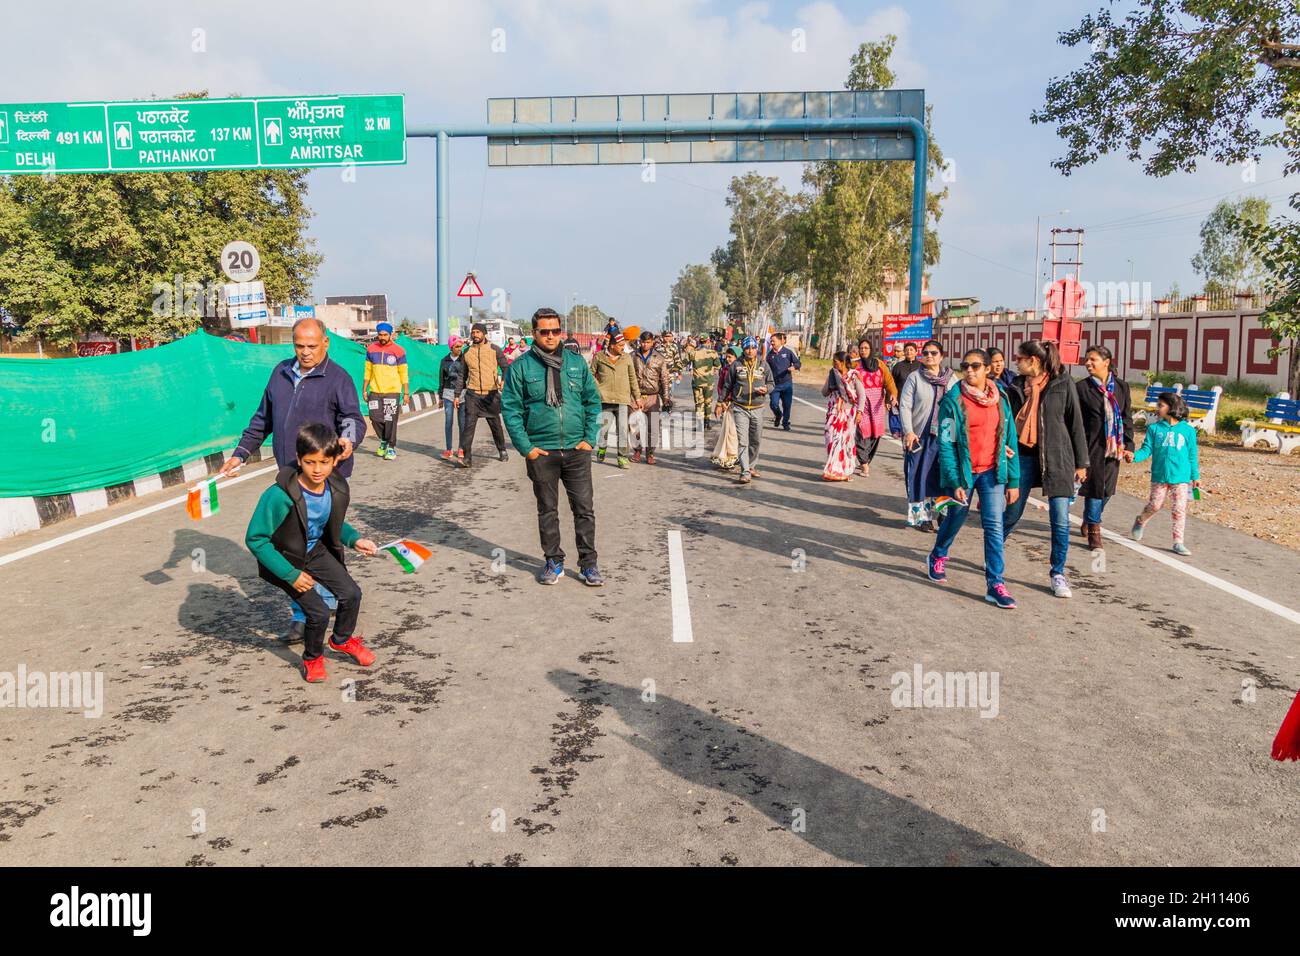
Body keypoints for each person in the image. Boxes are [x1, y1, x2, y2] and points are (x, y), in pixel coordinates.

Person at [220, 317, 366, 642]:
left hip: (325, 478)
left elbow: (354, 418)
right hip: (290, 478)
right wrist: (240, 453)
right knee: (291, 547)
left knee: (326, 542)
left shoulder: (337, 378)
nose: (306, 352)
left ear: (326, 343)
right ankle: (305, 613)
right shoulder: (280, 373)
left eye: (312, 346)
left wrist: (347, 440)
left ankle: (329, 604)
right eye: (299, 346)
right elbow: (262, 420)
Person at [244, 423, 379, 683]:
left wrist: (354, 540)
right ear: (298, 459)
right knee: (316, 612)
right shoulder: (279, 496)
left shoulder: (334, 488)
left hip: (314, 549)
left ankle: (341, 640)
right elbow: (256, 539)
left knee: (351, 594)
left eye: (324, 462)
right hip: (285, 557)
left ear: (334, 461)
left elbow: (331, 522)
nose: (317, 470)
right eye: (309, 462)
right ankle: (313, 656)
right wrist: (291, 574)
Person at [502, 308, 605, 587]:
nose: (550, 336)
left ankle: (588, 564)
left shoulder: (575, 363)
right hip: (542, 452)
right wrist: (527, 448)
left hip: (576, 450)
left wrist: (589, 439)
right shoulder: (521, 367)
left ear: (561, 331)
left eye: (555, 331)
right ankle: (553, 561)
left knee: (584, 509)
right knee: (547, 510)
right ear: (534, 333)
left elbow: (592, 402)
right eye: (544, 331)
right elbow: (510, 410)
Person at [928, 348, 1021, 610]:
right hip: (964, 474)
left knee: (993, 525)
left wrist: (1013, 480)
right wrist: (955, 481)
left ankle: (995, 583)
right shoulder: (952, 402)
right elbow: (946, 444)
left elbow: (1009, 437)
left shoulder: (1001, 398)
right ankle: (938, 554)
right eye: (965, 366)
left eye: (976, 366)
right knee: (955, 516)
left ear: (987, 369)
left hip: (993, 473)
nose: (969, 370)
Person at [1000, 339, 1089, 598]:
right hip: (1023, 457)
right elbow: (1005, 423)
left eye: (1020, 358)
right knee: (1012, 513)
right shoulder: (1016, 386)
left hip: (1058, 458)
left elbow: (1076, 424)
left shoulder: (1063, 383)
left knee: (1059, 520)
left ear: (1034, 361)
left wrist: (1082, 463)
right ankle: (994, 554)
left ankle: (1057, 573)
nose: (1015, 361)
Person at [1076, 344, 1134, 551]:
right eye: (1086, 359)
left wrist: (1129, 444)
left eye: (1093, 359)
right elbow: (1077, 422)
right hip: (1091, 446)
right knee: (1095, 489)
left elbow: (1127, 417)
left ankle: (1089, 518)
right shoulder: (1081, 388)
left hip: (1114, 447)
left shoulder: (1121, 386)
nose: (1088, 363)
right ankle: (1094, 532)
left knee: (1107, 490)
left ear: (1106, 362)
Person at [1130, 391, 1200, 556]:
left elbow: (1192, 455)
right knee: (1155, 505)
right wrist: (1134, 457)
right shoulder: (1154, 429)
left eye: (1160, 405)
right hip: (1160, 475)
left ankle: (1178, 541)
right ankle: (1141, 521)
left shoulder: (1188, 431)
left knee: (1179, 508)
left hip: (1181, 477)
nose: (1157, 408)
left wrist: (1195, 476)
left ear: (1172, 407)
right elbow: (1147, 450)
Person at [899, 339, 958, 529]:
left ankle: (943, 513)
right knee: (919, 474)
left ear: (941, 356)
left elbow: (960, 408)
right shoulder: (915, 377)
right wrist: (908, 432)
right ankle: (923, 517)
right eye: (925, 353)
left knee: (944, 475)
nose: (929, 356)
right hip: (920, 435)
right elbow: (905, 406)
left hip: (946, 436)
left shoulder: (952, 379)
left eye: (933, 353)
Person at [718, 336, 774, 485]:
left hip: (758, 408)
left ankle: (751, 465)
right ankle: (745, 471)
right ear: (743, 349)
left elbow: (771, 383)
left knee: (755, 440)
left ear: (757, 349)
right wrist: (720, 402)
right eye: (747, 348)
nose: (750, 351)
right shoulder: (736, 365)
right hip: (740, 408)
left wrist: (766, 389)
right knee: (743, 441)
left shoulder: (764, 365)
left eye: (753, 348)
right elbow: (727, 385)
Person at [459, 321, 509, 468]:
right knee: (468, 426)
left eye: (478, 332)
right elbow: (462, 375)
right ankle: (467, 458)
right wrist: (457, 394)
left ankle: (502, 450)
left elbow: (506, 367)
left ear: (484, 334)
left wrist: (504, 381)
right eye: (473, 332)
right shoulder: (467, 352)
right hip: (472, 394)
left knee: (495, 425)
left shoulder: (494, 349)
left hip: (490, 395)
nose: (475, 335)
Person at [589, 330, 640, 468]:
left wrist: (637, 397)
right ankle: (602, 448)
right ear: (612, 345)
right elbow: (590, 374)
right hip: (604, 400)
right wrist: (598, 388)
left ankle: (622, 457)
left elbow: (632, 378)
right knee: (603, 429)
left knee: (623, 430)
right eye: (620, 345)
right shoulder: (599, 357)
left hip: (622, 399)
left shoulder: (627, 358)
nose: (623, 347)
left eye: (623, 345)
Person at [851, 337, 898, 477]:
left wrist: (893, 395)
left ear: (871, 350)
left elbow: (889, 381)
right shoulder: (855, 366)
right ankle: (864, 464)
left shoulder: (880, 364)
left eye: (866, 348)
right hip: (861, 403)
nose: (863, 350)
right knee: (861, 433)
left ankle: (865, 459)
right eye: (861, 348)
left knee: (874, 434)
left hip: (877, 404)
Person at [364, 322, 410, 461]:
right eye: (380, 334)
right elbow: (368, 370)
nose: (382, 337)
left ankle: (390, 447)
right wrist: (364, 388)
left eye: (385, 335)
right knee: (374, 417)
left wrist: (406, 392)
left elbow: (403, 372)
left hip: (392, 391)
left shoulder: (399, 350)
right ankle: (383, 440)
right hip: (375, 390)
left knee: (390, 419)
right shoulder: (371, 349)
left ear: (390, 335)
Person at [821, 351, 864, 481]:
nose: (834, 364)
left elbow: (862, 396)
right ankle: (833, 469)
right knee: (830, 438)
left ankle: (845, 471)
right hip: (834, 412)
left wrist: (859, 412)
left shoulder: (854, 376)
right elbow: (824, 392)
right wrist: (830, 384)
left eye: (836, 361)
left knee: (846, 443)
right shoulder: (833, 375)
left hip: (848, 414)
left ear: (844, 362)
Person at [631, 330, 671, 464]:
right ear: (639, 342)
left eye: (648, 342)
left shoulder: (659, 358)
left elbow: (665, 379)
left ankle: (650, 453)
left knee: (653, 427)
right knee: (636, 427)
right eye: (643, 342)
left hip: (653, 397)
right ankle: (637, 451)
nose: (645, 345)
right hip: (636, 397)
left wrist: (666, 398)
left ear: (652, 342)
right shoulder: (633, 356)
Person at [437, 336, 466, 461]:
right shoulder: (444, 361)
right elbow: (441, 379)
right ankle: (449, 449)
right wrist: (441, 397)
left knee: (462, 422)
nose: (460, 349)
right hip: (448, 393)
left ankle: (461, 448)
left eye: (461, 346)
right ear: (451, 347)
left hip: (463, 393)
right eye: (457, 346)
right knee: (449, 422)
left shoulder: (464, 359)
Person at [765, 331, 801, 430]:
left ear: (781, 341)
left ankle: (786, 423)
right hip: (774, 385)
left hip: (787, 384)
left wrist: (794, 367)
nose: (772, 343)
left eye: (773, 341)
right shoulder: (769, 355)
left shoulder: (788, 352)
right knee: (773, 404)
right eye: (771, 341)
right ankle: (778, 415)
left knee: (787, 405)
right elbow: (765, 369)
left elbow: (798, 363)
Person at [685, 335, 721, 430]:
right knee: (708, 402)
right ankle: (707, 423)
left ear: (699, 341)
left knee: (699, 403)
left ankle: (700, 425)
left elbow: (684, 363)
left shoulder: (693, 353)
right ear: (708, 341)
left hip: (697, 382)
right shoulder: (713, 353)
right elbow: (718, 365)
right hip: (709, 382)